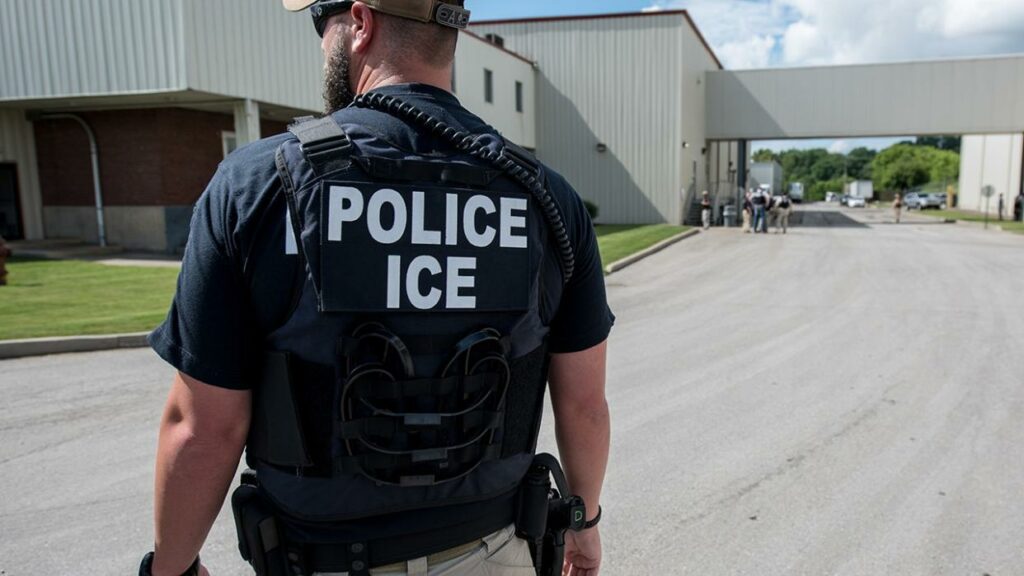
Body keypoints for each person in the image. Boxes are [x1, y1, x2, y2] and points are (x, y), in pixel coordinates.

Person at [141, 2, 613, 575]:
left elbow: (202, 428)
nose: (321, 43)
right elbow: (584, 405)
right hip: (493, 553)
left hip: (322, 558)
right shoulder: (546, 198)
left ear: (361, 23)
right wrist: (584, 530)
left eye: (323, 23)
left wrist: (170, 568)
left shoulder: (256, 185)